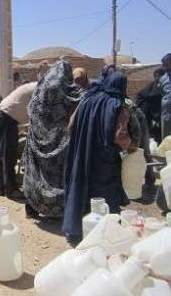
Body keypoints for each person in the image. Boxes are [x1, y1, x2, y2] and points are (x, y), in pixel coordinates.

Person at [62, 71, 132, 245]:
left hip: (81, 155)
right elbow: (120, 137)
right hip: (103, 160)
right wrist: (130, 146)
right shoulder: (118, 104)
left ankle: (76, 231)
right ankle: (104, 237)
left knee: (80, 188)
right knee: (104, 196)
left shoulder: (87, 98)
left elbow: (70, 126)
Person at [23, 61, 81, 218]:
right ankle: (60, 210)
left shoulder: (41, 88)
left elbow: (31, 109)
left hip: (36, 138)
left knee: (34, 172)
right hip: (59, 143)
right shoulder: (70, 91)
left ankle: (31, 208)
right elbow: (81, 101)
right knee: (58, 175)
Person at [0, 81, 37, 199]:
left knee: (2, 154)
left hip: (4, 114)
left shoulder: (36, 86)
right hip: (8, 116)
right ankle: (11, 190)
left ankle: (1, 186)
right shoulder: (41, 89)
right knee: (9, 155)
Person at [136, 68, 164, 143]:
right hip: (150, 115)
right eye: (156, 76)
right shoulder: (151, 86)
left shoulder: (165, 86)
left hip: (161, 114)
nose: (157, 78)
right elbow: (141, 95)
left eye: (159, 76)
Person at [158, 53, 171, 139]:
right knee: (166, 138)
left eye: (166, 64)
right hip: (167, 112)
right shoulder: (163, 78)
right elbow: (161, 92)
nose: (164, 66)